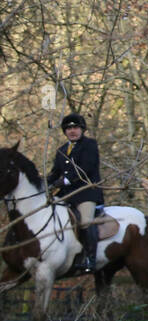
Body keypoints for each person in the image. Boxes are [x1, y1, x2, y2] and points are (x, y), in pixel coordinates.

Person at [48, 113, 104, 273]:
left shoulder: (90, 145)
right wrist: (46, 183)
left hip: (86, 192)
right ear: (65, 131)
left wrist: (65, 181)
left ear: (82, 129)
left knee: (85, 221)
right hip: (66, 194)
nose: (72, 131)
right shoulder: (61, 150)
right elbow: (55, 173)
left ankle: (89, 259)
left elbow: (87, 167)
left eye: (76, 127)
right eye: (69, 128)